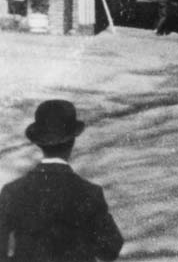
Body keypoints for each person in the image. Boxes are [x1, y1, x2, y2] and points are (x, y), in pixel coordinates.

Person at [0, 99, 123, 261]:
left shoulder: (13, 192)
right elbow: (111, 248)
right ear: (72, 141)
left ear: (39, 143)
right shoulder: (89, 193)